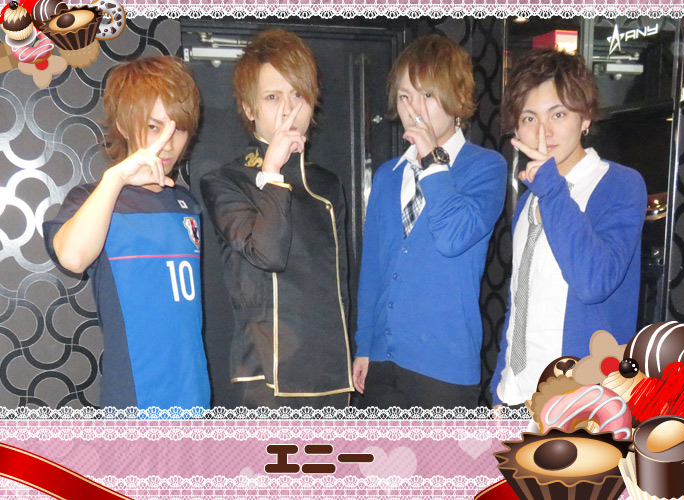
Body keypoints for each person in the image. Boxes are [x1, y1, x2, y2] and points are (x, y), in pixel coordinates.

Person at [43, 56, 210, 409]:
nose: (168, 143)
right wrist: (115, 179)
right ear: (123, 123)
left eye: (179, 129)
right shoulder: (94, 199)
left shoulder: (187, 204)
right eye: (153, 126)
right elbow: (72, 257)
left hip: (194, 396)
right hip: (135, 402)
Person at [200, 29, 353, 409]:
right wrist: (271, 171)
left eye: (298, 94)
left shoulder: (327, 183)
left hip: (331, 372)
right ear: (249, 109)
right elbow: (268, 253)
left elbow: (340, 288)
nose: (289, 110)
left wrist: (351, 355)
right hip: (266, 374)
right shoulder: (225, 182)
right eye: (272, 97)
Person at [353, 35, 508, 409]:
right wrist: (364, 344)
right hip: (382, 362)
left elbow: (453, 237)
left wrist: (431, 161)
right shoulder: (389, 175)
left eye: (427, 95)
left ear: (456, 98)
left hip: (444, 368)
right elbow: (373, 269)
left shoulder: (486, 168)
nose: (414, 109)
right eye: (405, 96)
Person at [490, 48, 647, 408]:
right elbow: (520, 300)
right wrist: (501, 386)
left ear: (585, 117)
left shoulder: (619, 185)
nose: (542, 131)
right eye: (529, 118)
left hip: (583, 402)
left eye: (557, 114)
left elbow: (593, 282)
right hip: (518, 396)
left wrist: (551, 189)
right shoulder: (528, 201)